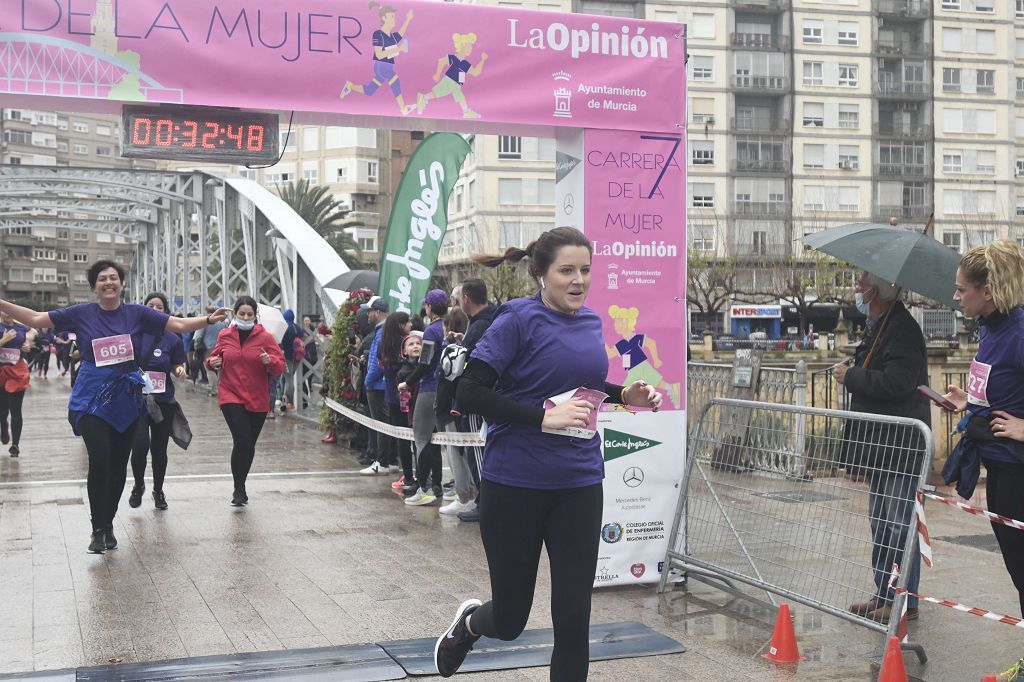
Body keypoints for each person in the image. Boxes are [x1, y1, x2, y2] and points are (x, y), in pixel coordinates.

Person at [433, 227, 661, 680]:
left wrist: (623, 396)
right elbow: (470, 392)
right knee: (512, 620)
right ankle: (472, 624)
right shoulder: (517, 319)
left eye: (586, 271)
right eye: (567, 271)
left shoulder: (591, 321)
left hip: (578, 484)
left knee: (574, 620)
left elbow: (583, 391)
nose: (578, 280)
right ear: (541, 274)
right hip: (515, 483)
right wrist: (542, 417)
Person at [0, 260, 230, 554]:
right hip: (91, 398)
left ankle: (108, 523)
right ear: (94, 286)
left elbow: (179, 324)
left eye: (113, 278)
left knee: (119, 465)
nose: (108, 282)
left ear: (121, 283)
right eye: (102, 279)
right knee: (99, 459)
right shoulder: (81, 313)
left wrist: (209, 320)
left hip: (127, 399)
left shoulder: (137, 313)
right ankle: (98, 528)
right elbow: (35, 318)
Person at [833, 271, 929, 623]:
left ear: (876, 290)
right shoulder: (881, 325)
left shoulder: (902, 329)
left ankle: (904, 599)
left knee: (899, 524)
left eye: (862, 284)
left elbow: (899, 383)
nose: (857, 290)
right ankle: (884, 591)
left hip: (900, 445)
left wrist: (852, 377)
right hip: (882, 444)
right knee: (881, 522)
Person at [941, 240, 1024, 617]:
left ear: (987, 291)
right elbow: (1002, 387)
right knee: (1019, 575)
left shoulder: (1020, 332)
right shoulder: (990, 329)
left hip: (1018, 473)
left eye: (962, 289)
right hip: (999, 471)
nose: (956, 296)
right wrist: (969, 402)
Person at [206, 296, 286, 506]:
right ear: (235, 314)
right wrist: (212, 362)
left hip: (257, 398)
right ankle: (238, 489)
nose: (245, 317)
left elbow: (280, 366)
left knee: (248, 445)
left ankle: (241, 483)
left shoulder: (266, 338)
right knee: (242, 440)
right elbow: (212, 359)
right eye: (242, 313)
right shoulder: (225, 335)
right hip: (230, 394)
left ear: (255, 316)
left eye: (249, 314)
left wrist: (271, 361)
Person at [128, 293, 188, 511]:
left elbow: (176, 363)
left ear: (166, 311)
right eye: (150, 305)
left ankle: (158, 490)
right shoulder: (133, 334)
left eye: (160, 307)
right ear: (143, 309)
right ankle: (138, 485)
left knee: (159, 450)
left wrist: (179, 369)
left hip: (163, 400)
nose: (155, 309)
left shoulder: (172, 337)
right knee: (140, 445)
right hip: (137, 400)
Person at [452, 278, 497, 523]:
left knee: (477, 452)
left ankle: (483, 504)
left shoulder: (479, 326)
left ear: (466, 299)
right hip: (488, 396)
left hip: (476, 398)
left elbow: (465, 365)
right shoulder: (491, 321)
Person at [401, 289, 448, 505]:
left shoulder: (431, 331)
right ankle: (438, 486)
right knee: (438, 441)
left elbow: (425, 362)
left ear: (429, 307)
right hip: (446, 389)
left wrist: (407, 382)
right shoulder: (448, 328)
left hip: (429, 388)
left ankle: (423, 489)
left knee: (421, 440)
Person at [340, 2, 415, 115]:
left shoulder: (391, 36)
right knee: (395, 81)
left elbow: (400, 34)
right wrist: (398, 49)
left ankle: (350, 86)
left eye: (394, 16)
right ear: (384, 18)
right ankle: (403, 108)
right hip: (381, 65)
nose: (395, 19)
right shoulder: (378, 34)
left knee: (370, 90)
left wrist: (408, 19)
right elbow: (379, 54)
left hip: (387, 65)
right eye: (392, 16)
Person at [436, 307, 473, 514]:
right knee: (462, 452)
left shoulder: (450, 349)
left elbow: (443, 376)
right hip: (458, 406)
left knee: (456, 453)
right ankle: (469, 494)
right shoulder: (465, 344)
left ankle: (465, 497)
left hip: (450, 407)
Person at [379, 312, 414, 489]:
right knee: (416, 437)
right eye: (407, 322)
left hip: (392, 396)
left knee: (402, 439)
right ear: (400, 325)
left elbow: (380, 366)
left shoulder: (383, 345)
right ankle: (417, 475)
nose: (410, 324)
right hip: (408, 396)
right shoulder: (406, 343)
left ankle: (407, 475)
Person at [360, 299, 394, 475]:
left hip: (377, 386)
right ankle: (390, 460)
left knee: (380, 425)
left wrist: (367, 381)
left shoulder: (382, 333)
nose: (368, 315)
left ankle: (382, 462)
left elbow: (377, 361)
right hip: (382, 385)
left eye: (370, 311)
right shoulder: (383, 330)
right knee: (386, 424)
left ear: (378, 312)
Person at [0, 311, 31, 457]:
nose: (7, 314)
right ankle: (4, 426)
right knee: (2, 411)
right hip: (1, 372)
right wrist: (3, 340)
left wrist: (28, 343)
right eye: (3, 311)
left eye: (9, 311)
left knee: (16, 410)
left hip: (17, 373)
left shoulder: (21, 328)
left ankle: (15, 445)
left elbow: (33, 331)